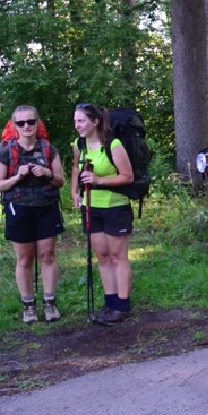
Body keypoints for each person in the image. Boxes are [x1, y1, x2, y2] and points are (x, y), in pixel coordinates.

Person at [0, 105, 66, 324]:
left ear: (37, 123)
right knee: (24, 259)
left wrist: (47, 173)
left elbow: (60, 180)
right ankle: (28, 306)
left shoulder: (49, 149)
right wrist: (17, 177)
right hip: (19, 208)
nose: (26, 126)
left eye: (31, 122)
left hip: (46, 207)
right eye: (21, 123)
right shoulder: (6, 151)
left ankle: (49, 303)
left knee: (47, 255)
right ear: (14, 125)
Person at [71, 104, 135, 325]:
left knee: (118, 256)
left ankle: (122, 305)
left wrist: (98, 180)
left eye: (81, 121)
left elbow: (127, 176)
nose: (77, 125)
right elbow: (76, 168)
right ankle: (109, 303)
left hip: (115, 206)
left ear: (95, 122)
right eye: (76, 121)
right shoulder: (79, 144)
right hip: (90, 206)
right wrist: (74, 191)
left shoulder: (113, 145)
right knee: (103, 256)